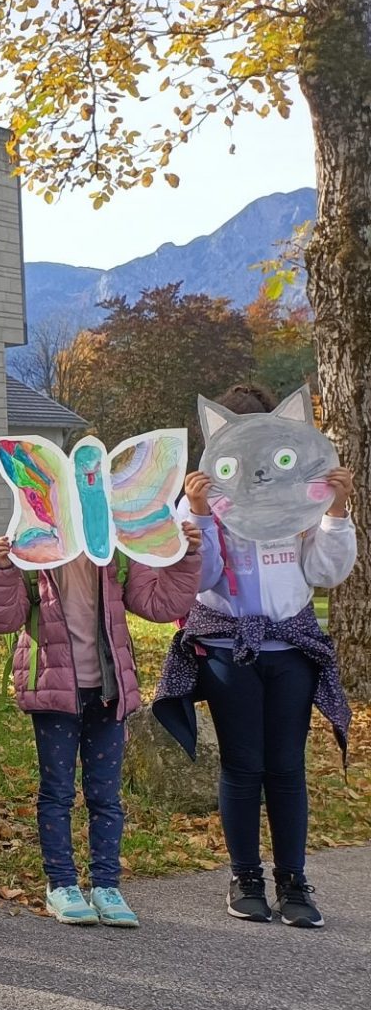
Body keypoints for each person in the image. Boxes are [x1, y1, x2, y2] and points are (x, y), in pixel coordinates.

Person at [156, 384, 357, 929]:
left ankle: (294, 880)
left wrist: (335, 513)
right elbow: (200, 579)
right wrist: (197, 518)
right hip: (226, 646)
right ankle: (246, 876)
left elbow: (324, 571)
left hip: (291, 646)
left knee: (287, 767)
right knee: (243, 766)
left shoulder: (299, 496)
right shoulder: (203, 501)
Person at [0, 525, 203, 927]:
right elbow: (1, 619)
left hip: (108, 689)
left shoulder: (113, 551)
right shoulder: (32, 551)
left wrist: (184, 555)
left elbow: (158, 603)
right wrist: (0, 569)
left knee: (106, 797)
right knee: (58, 792)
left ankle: (106, 885)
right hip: (53, 687)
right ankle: (61, 884)